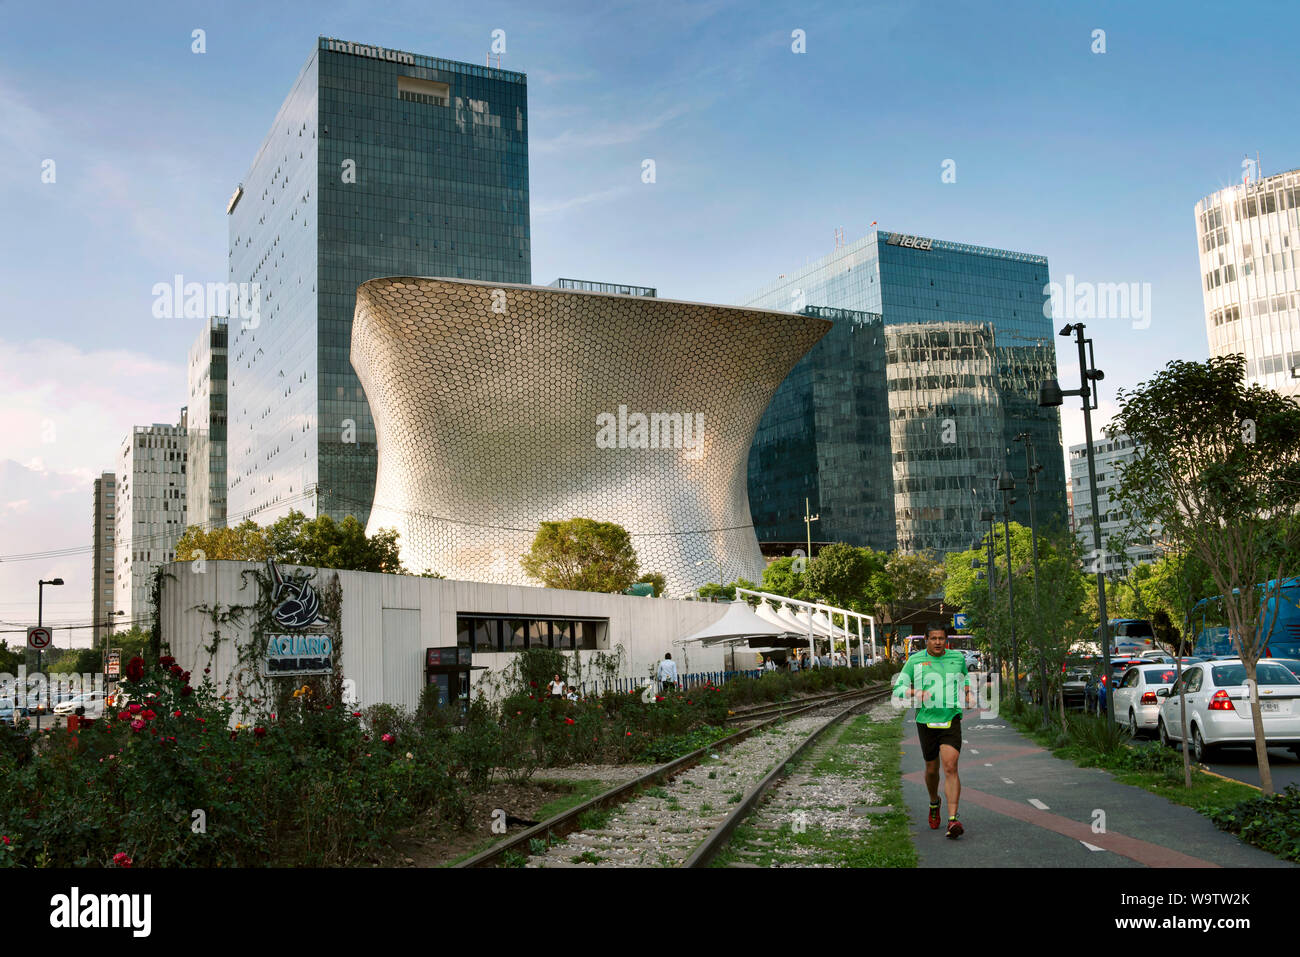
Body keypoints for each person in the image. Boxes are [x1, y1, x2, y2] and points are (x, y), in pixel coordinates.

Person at [894, 623, 974, 839]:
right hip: (926, 721)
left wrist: (968, 693)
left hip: (950, 718)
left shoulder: (957, 658)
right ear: (926, 640)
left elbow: (965, 677)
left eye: (941, 638)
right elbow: (898, 688)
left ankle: (953, 819)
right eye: (933, 638)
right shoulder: (915, 661)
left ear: (946, 640)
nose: (938, 642)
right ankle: (933, 802)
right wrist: (915, 692)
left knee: (950, 766)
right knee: (931, 769)